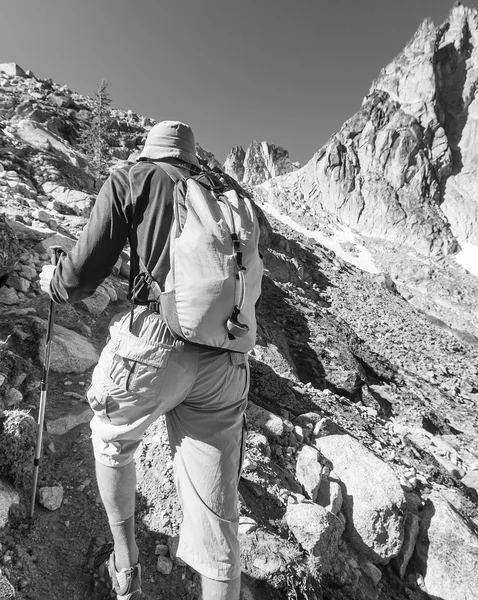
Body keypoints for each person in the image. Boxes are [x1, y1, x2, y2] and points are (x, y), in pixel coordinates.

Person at [40, 121, 250, 600]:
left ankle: (126, 562)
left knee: (111, 440)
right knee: (218, 519)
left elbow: (81, 276)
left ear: (150, 150)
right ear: (192, 158)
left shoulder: (134, 177)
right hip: (226, 358)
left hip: (156, 341)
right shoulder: (221, 196)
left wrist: (53, 283)